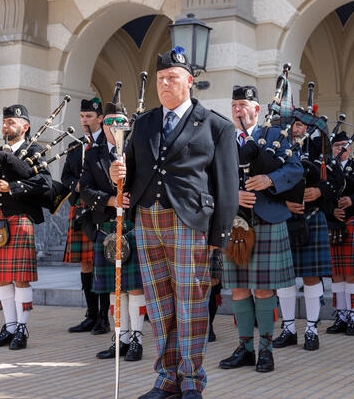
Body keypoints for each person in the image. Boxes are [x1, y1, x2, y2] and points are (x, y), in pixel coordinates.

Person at [109, 47, 239, 399]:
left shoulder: (217, 126)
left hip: (190, 221)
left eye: (173, 78)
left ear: (189, 82)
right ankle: (167, 379)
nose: (165, 84)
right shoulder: (145, 122)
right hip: (148, 219)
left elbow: (227, 187)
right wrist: (118, 176)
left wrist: (219, 238)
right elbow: (133, 170)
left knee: (191, 305)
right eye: (161, 79)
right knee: (160, 303)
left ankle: (192, 381)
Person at [219, 85, 302, 373]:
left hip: (267, 220)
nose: (238, 109)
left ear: (256, 109)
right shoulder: (223, 137)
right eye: (234, 105)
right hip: (237, 223)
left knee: (264, 290)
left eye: (243, 104)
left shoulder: (275, 135)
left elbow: (295, 169)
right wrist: (232, 195)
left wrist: (269, 179)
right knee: (239, 290)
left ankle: (266, 349)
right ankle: (245, 348)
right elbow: (209, 177)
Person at [0, 105, 52, 350]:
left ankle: (22, 330)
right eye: (4, 122)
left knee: (20, 278)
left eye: (11, 122)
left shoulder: (34, 151)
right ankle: (9, 327)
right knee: (2, 279)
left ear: (24, 127)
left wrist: (12, 188)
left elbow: (44, 183)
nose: (5, 126)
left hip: (20, 219)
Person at [80, 102, 146, 362]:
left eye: (120, 122)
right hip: (107, 226)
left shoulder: (137, 151)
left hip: (133, 224)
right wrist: (110, 200)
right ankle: (121, 338)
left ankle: (137, 339)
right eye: (110, 122)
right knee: (115, 290)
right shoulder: (93, 154)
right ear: (102, 124)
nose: (115, 127)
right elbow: (84, 190)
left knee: (135, 287)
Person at [273, 113, 333, 351]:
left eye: (301, 125)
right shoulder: (276, 148)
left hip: (311, 217)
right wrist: (283, 204)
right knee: (284, 278)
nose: (297, 129)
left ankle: (311, 330)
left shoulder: (320, 151)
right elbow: (267, 181)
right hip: (283, 218)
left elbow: (337, 181)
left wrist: (320, 192)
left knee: (310, 277)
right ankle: (288, 329)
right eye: (294, 125)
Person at [62, 97, 111, 335]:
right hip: (81, 206)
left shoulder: (109, 142)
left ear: (100, 118)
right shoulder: (76, 145)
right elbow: (66, 178)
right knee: (85, 262)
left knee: (101, 261)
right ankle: (91, 316)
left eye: (89, 116)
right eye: (82, 116)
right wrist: (78, 186)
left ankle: (104, 317)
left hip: (101, 208)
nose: (84, 120)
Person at [324, 131, 354, 336]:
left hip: (352, 221)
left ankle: (352, 316)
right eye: (337, 146)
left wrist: (353, 200)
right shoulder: (325, 169)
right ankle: (341, 316)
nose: (341, 150)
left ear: (350, 149)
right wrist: (330, 210)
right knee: (336, 274)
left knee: (351, 273)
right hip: (332, 223)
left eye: (344, 146)